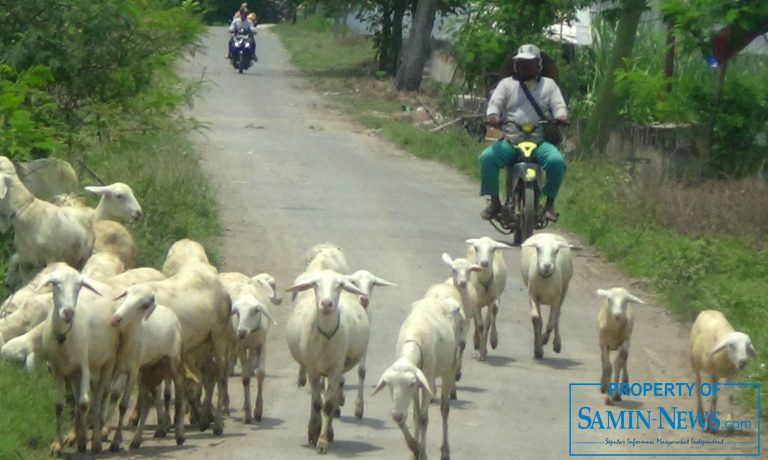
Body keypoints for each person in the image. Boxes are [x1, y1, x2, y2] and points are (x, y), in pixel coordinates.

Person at [478, 44, 569, 222]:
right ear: (515, 65)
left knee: (557, 161)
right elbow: (495, 104)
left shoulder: (549, 86)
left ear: (538, 65)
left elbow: (559, 107)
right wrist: (493, 116)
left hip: (539, 142)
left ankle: (549, 203)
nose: (524, 67)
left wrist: (561, 117)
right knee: (487, 158)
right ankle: (495, 202)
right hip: (511, 141)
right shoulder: (506, 85)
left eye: (529, 63)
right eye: (521, 63)